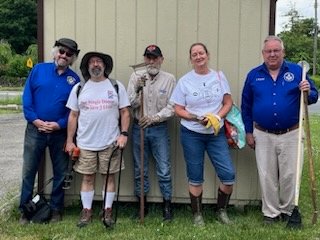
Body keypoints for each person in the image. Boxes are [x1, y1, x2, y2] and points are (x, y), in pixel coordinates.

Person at [241, 35, 318, 224]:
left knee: (290, 174)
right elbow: (246, 105)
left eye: (276, 50)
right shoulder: (253, 75)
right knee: (266, 174)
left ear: (283, 52)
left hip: (291, 133)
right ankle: (271, 213)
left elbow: (313, 96)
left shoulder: (297, 71)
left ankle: (289, 210)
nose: (272, 54)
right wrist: (249, 132)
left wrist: (309, 90)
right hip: (262, 133)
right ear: (263, 54)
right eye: (269, 51)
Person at [170, 42, 235, 226]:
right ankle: (197, 214)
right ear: (190, 59)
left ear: (208, 55)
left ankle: (221, 210)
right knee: (195, 175)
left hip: (216, 133)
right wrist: (195, 118)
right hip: (192, 133)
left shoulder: (219, 77)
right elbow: (178, 109)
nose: (198, 57)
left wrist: (216, 117)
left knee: (228, 174)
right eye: (194, 54)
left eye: (201, 53)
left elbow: (228, 102)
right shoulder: (184, 81)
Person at [65, 51, 130, 228]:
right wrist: (70, 141)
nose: (95, 64)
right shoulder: (79, 88)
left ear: (105, 66)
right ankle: (87, 211)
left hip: (111, 142)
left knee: (109, 177)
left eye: (99, 62)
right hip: (85, 143)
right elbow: (73, 115)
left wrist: (123, 134)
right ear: (87, 67)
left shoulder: (116, 86)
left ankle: (107, 210)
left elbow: (125, 111)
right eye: (91, 62)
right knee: (87, 177)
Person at [19, 38, 81, 224]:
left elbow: (73, 110)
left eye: (69, 54)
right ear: (55, 52)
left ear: (73, 58)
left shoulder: (74, 80)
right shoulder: (38, 70)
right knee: (29, 171)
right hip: (34, 130)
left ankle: (55, 210)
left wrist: (59, 124)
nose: (64, 55)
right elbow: (27, 98)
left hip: (59, 133)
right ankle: (25, 209)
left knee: (61, 172)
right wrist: (36, 121)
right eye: (61, 51)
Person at [127, 45, 176, 221]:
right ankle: (142, 205)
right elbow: (129, 103)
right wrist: (138, 89)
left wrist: (154, 118)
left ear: (161, 59)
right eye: (148, 57)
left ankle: (167, 206)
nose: (151, 61)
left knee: (163, 168)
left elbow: (172, 107)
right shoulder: (135, 77)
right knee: (140, 168)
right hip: (138, 128)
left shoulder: (169, 79)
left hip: (159, 129)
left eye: (155, 57)